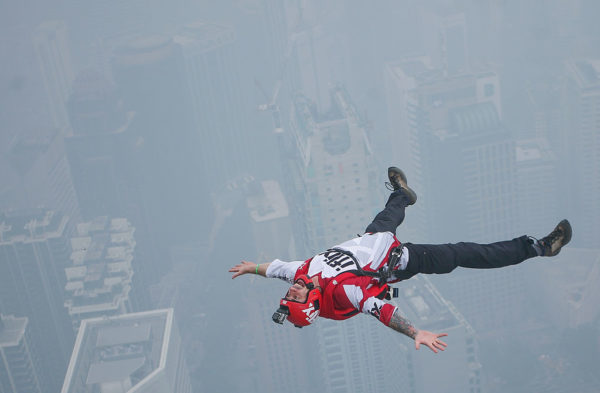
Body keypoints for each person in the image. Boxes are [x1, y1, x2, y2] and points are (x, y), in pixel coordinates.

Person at [229, 167, 573, 354]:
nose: (294, 289)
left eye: (290, 292)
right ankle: (539, 247)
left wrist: (250, 269)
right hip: (398, 259)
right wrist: (415, 332)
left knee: (391, 211)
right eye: (296, 296)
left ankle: (402, 195)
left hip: (370, 237)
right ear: (314, 303)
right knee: (465, 253)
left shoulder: (300, 275)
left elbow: (274, 268)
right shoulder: (342, 293)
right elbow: (382, 312)